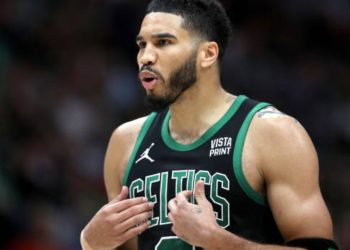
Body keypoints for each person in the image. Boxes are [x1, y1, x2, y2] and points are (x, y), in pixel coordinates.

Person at [80, 0, 338, 249]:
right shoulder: (124, 141)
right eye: (142, 45)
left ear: (207, 53)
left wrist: (219, 242)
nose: (145, 57)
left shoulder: (272, 133)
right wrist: (91, 244)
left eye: (163, 43)